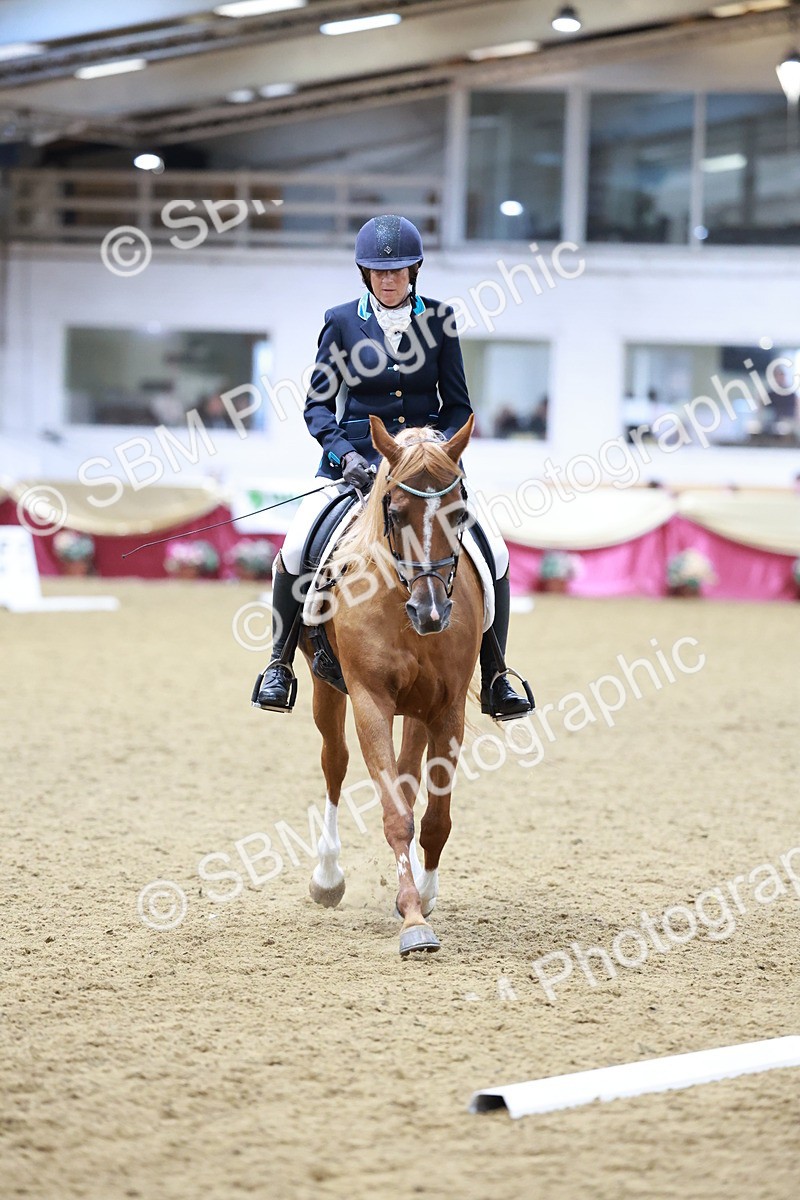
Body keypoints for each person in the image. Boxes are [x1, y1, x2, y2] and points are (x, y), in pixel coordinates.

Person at [254, 214, 533, 721]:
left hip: (426, 472)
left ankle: (496, 675)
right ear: (365, 274)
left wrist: (435, 453)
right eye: (380, 271)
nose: (389, 279)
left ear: (415, 271)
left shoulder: (440, 320)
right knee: (295, 548)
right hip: (356, 464)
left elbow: (457, 406)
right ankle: (278, 665)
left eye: (399, 270)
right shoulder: (340, 321)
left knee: (493, 550)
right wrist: (348, 456)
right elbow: (318, 407)